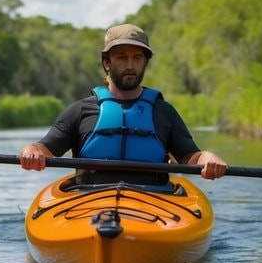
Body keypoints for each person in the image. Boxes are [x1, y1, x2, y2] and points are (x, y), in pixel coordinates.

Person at [19, 23, 228, 185]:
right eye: (121, 57)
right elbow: (44, 148)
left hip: (152, 202)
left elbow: (191, 157)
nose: (130, 66)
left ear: (145, 62)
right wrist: (32, 150)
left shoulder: (163, 112)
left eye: (137, 58)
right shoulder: (80, 111)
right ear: (106, 62)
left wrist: (207, 158)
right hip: (89, 202)